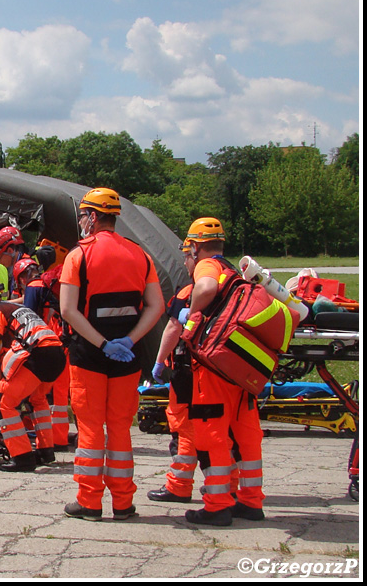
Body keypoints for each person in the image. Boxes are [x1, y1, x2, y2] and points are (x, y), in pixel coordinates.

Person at [59, 187, 165, 521]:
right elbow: (156, 306)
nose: (81, 222)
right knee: (119, 427)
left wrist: (102, 344)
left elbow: (68, 310)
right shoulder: (140, 255)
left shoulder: (79, 256)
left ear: (92, 216)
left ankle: (89, 502)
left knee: (90, 428)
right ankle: (123, 503)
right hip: (127, 358)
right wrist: (130, 341)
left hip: (89, 355)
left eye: (83, 216)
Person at [181, 217, 266, 526]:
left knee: (211, 433)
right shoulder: (233, 269)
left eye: (186, 251)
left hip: (214, 367)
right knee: (246, 433)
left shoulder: (208, 266)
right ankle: (251, 501)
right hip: (240, 365)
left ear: (194, 246)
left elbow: (203, 288)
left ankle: (217, 505)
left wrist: (191, 313)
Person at [0, 276, 66, 472]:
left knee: (4, 404)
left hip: (37, 355)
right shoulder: (20, 310)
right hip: (56, 354)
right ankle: (45, 452)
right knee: (37, 400)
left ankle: (22, 457)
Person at [146, 238, 199, 504]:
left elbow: (173, 329)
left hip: (189, 372)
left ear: (195, 254)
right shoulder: (236, 288)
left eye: (187, 257)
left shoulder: (188, 293)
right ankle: (231, 489)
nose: (186, 262)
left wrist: (159, 361)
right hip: (225, 376)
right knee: (223, 430)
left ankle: (179, 486)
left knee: (184, 428)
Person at [16, 256, 71, 451]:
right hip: (65, 343)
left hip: (46, 345)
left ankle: (46, 441)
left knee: (40, 396)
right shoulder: (49, 286)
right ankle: (60, 439)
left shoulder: (33, 287)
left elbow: (30, 319)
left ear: (21, 279)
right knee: (60, 396)